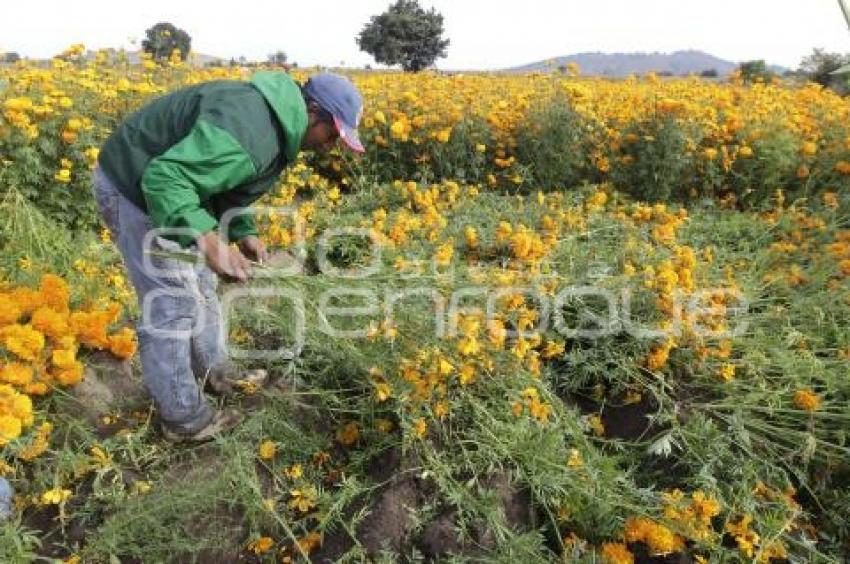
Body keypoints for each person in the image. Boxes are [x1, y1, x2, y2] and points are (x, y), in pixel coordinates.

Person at [92, 71, 365, 441]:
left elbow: (224, 180)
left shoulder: (277, 124)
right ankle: (184, 419)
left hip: (175, 190)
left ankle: (214, 371)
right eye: (333, 134)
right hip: (134, 187)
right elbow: (164, 178)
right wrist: (208, 240)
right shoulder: (252, 129)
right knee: (171, 302)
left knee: (201, 284)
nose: (332, 145)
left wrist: (241, 231)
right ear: (313, 111)